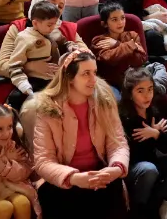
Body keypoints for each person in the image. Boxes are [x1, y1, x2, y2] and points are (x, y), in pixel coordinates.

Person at [27, 51, 129, 219]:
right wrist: (74, 177)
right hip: (66, 180)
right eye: (86, 74)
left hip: (99, 173)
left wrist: (115, 169)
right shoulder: (47, 108)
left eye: (95, 72)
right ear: (70, 77)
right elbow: (43, 161)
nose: (93, 79)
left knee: (113, 187)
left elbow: (117, 143)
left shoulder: (104, 101)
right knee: (55, 195)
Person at [119, 67, 167, 217]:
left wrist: (155, 134)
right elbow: (131, 153)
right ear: (130, 94)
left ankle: (155, 203)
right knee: (149, 169)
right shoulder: (124, 117)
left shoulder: (154, 111)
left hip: (153, 162)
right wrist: (152, 136)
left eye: (150, 89)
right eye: (140, 91)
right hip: (133, 168)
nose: (147, 95)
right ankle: (138, 209)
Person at [90, 3, 148, 93]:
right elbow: (110, 59)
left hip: (135, 79)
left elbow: (141, 59)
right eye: (114, 19)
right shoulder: (99, 40)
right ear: (105, 24)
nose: (120, 22)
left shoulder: (132, 35)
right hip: (111, 83)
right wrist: (132, 46)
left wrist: (117, 44)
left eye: (122, 18)